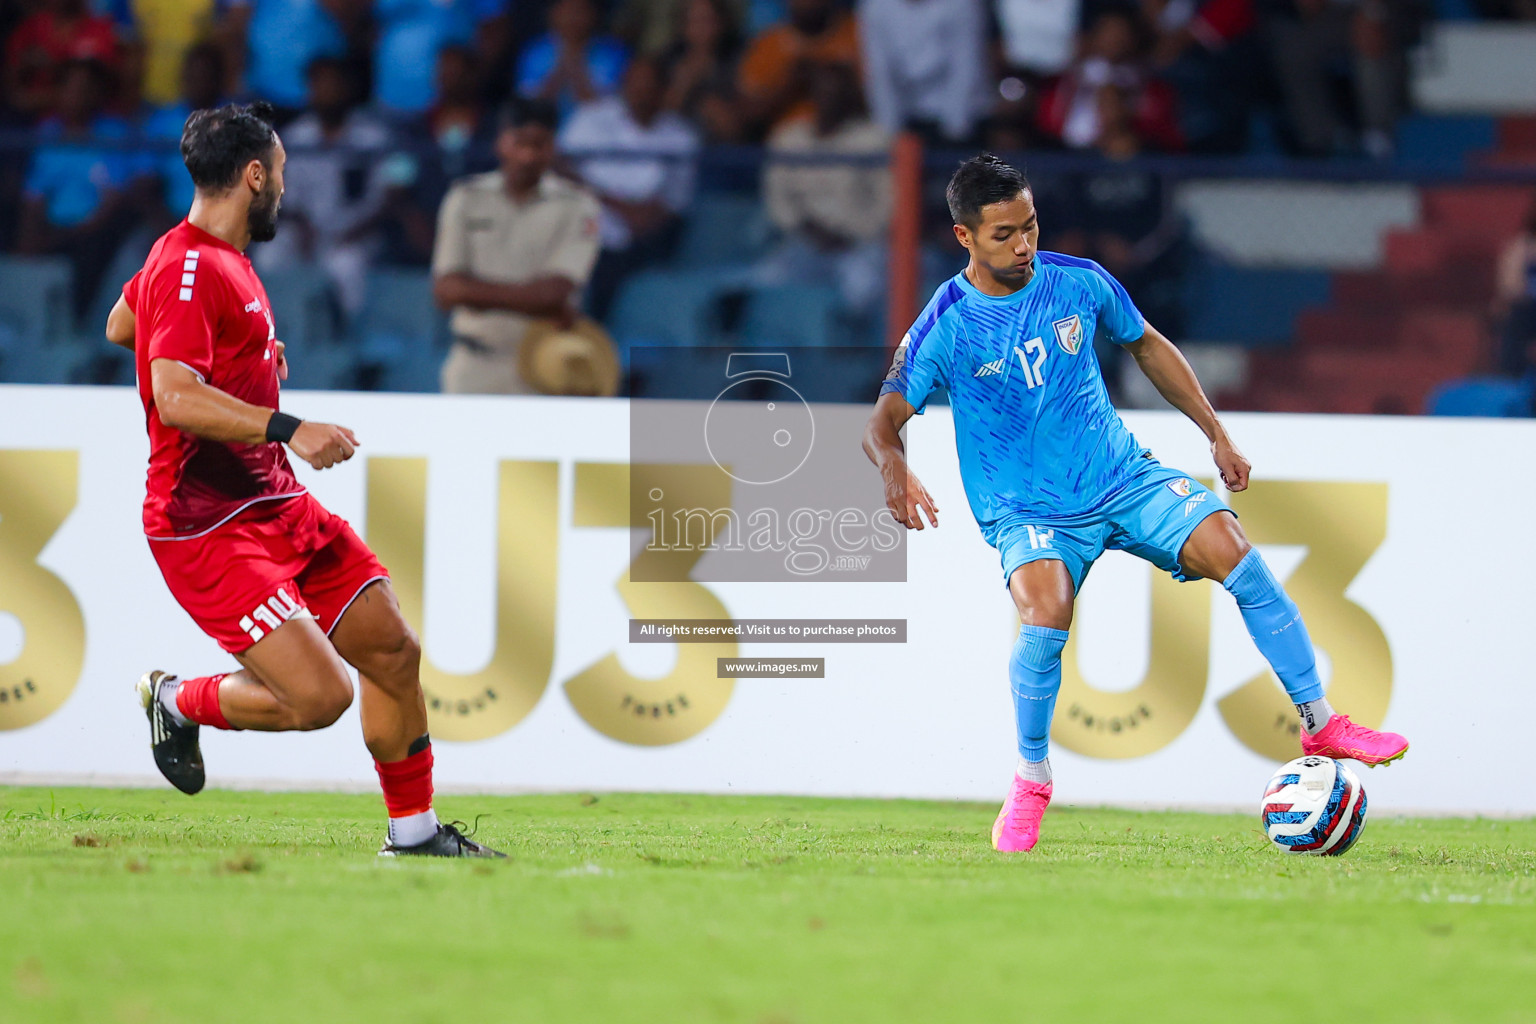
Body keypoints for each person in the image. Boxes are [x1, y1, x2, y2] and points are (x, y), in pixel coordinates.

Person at [862, 154, 1409, 853]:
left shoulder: (1079, 282)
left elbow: (1147, 345)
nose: (1024, 244)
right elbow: (882, 420)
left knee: (1234, 552)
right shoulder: (947, 322)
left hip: (1120, 477)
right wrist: (894, 470)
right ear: (965, 237)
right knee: (1046, 605)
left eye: (1030, 226)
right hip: (1027, 508)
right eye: (1004, 235)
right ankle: (1031, 778)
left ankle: (1321, 719)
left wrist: (1215, 433)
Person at [102, 100, 500, 856]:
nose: (286, 187)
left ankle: (413, 837)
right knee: (320, 697)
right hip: (206, 526)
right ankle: (177, 701)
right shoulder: (189, 267)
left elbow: (122, 327)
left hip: (273, 502)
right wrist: (291, 425)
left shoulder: (191, 260)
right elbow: (176, 397)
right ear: (253, 175)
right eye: (281, 173)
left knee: (392, 651)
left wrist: (247, 359)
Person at [432, 96, 602, 394]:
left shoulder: (578, 206)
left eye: (539, 145)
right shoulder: (465, 197)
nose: (528, 155)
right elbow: (446, 291)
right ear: (501, 142)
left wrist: (473, 293)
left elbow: (556, 291)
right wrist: (536, 300)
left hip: (545, 368)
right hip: (473, 366)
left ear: (553, 148)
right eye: (520, 142)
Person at [559, 56, 698, 322]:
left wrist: (593, 191)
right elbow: (558, 167)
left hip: (633, 248)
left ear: (663, 91)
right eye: (634, 85)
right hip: (577, 228)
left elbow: (656, 215)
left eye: (648, 87)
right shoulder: (591, 119)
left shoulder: (682, 139)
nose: (639, 94)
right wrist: (616, 203)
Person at [757, 59, 890, 319]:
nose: (830, 98)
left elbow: (889, 203)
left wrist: (848, 235)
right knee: (767, 283)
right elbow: (777, 200)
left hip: (857, 246)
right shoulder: (788, 138)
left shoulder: (873, 140)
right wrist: (806, 228)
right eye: (823, 91)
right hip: (803, 240)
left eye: (837, 92)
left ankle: (849, 343)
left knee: (863, 287)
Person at [855, 0, 989, 146]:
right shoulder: (875, 6)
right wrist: (889, 128)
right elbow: (879, 71)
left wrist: (956, 128)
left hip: (965, 115)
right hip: (906, 114)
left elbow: (965, 66)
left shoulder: (962, 4)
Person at [514, 0, 628, 121]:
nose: (573, 17)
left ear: (594, 14)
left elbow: (606, 109)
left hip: (596, 131)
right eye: (568, 10)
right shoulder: (535, 50)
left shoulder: (612, 53)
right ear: (553, 13)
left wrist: (575, 66)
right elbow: (528, 106)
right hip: (546, 127)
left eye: (580, 10)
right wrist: (561, 68)